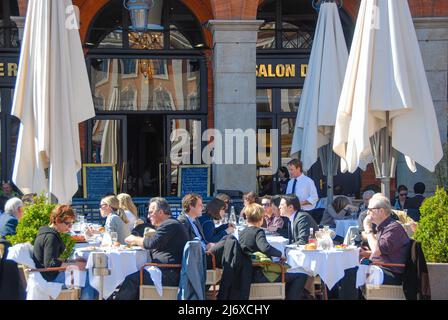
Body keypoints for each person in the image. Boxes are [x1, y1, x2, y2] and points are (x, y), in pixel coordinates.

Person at [115, 197, 189, 300]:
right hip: (167, 270)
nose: (148, 216)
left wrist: (134, 239)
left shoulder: (170, 224)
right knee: (135, 278)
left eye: (150, 213)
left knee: (131, 279)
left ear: (161, 212)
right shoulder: (170, 224)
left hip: (169, 273)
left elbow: (152, 243)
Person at [239, 203, 309, 300]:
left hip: (247, 273)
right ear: (261, 218)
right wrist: (280, 254)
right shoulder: (258, 231)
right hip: (260, 274)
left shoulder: (242, 232)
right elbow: (265, 248)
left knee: (289, 274)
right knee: (301, 275)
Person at [32, 205, 96, 300]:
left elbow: (52, 259)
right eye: (67, 223)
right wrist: (74, 265)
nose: (70, 227)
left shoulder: (47, 233)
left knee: (87, 275)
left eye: (71, 224)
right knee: (90, 280)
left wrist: (72, 262)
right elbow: (51, 264)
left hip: (45, 274)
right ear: (58, 220)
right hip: (49, 277)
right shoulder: (51, 237)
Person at [361, 193, 411, 285]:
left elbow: (376, 250)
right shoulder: (384, 227)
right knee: (349, 268)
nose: (367, 213)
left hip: (390, 272)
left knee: (353, 273)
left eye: (370, 210)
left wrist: (368, 229)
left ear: (381, 211)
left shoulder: (393, 228)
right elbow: (383, 252)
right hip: (380, 267)